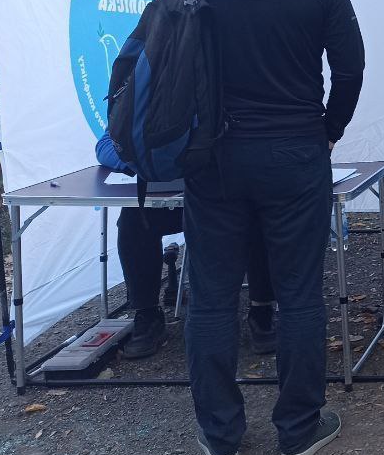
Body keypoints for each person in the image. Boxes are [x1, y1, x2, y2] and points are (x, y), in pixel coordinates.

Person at [182, 0, 364, 455]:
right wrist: (326, 131)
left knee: (209, 297)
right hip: (293, 152)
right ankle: (297, 429)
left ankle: (221, 436)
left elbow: (165, 58)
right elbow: (351, 66)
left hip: (213, 156)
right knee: (299, 294)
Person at [95, 134, 277, 359]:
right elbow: (105, 146)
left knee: (258, 213)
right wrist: (143, 161)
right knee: (133, 220)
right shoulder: (138, 98)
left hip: (227, 189)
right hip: (172, 188)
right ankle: (147, 314)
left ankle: (261, 310)